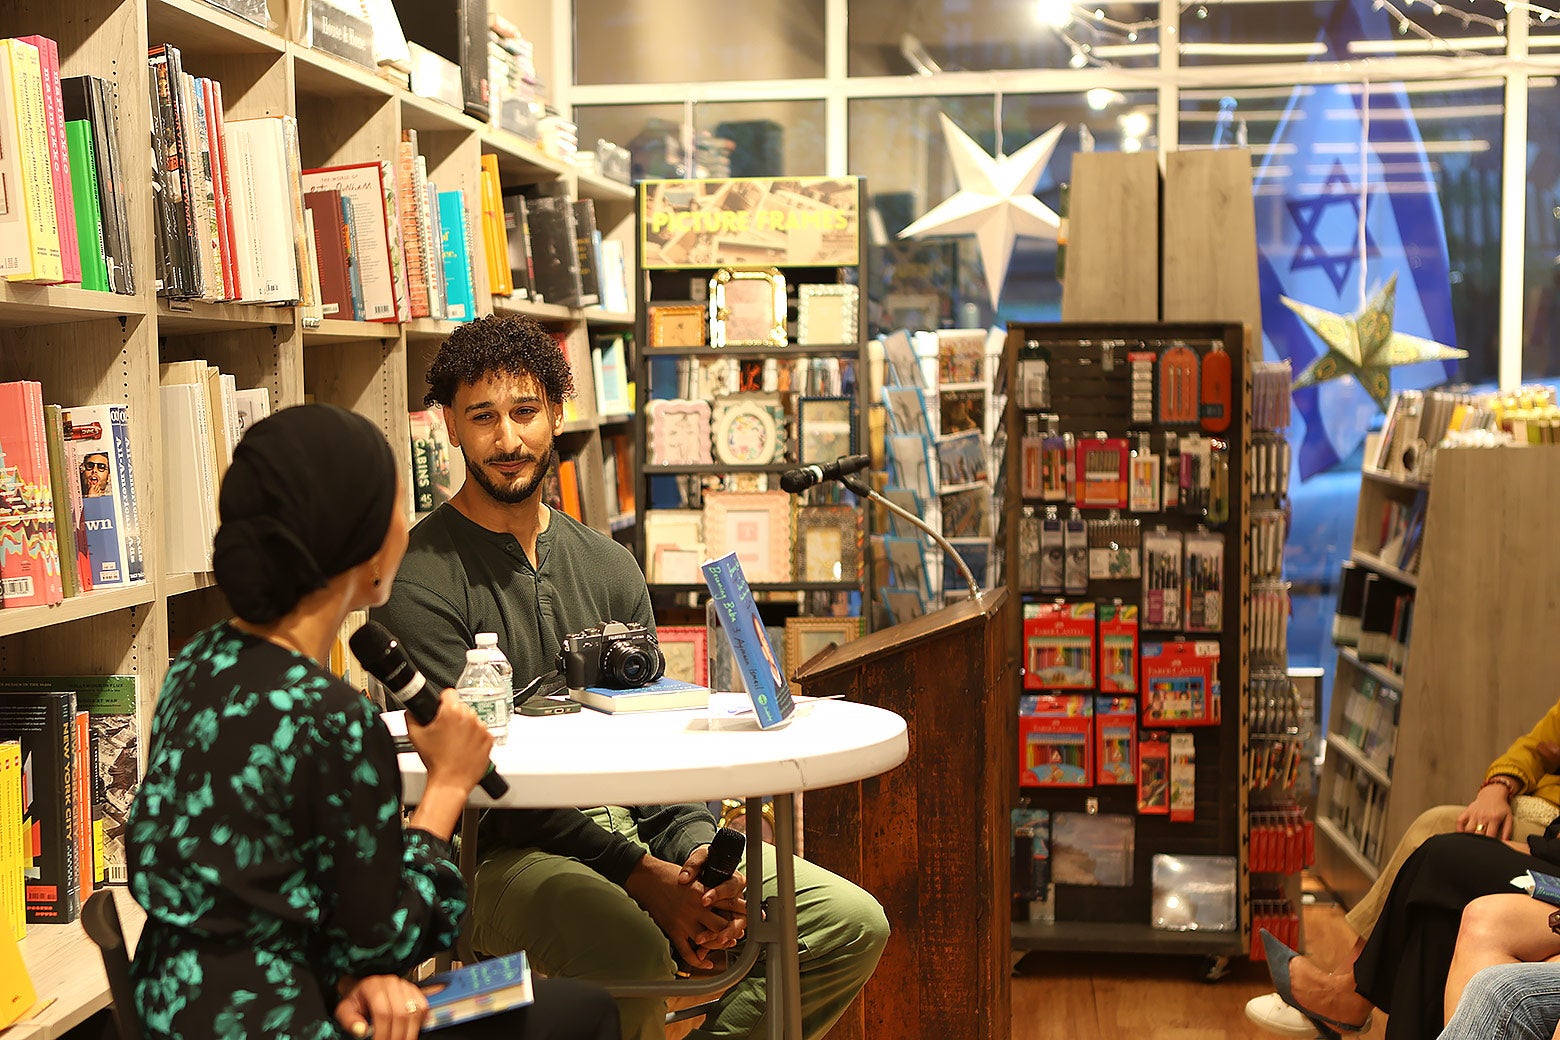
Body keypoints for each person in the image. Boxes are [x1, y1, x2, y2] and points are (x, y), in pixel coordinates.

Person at [374, 315, 890, 1040]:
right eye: (482, 418)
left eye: (525, 412)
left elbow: (652, 730)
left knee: (847, 923)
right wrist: (641, 876)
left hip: (638, 836)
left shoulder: (609, 565)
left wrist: (694, 854)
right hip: (496, 850)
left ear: (557, 413)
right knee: (627, 949)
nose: (508, 440)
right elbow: (477, 783)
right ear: (450, 428)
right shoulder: (417, 577)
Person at [126, 404, 620, 1040]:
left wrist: (351, 972)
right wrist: (447, 784)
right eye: (393, 505)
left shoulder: (199, 661)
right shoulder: (331, 718)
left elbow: (267, 880)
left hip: (175, 1007)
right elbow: (392, 935)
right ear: (357, 539)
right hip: (284, 1021)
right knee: (583, 1012)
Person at [1248, 707, 1560, 1036]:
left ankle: (1346, 995)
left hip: (1550, 848)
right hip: (1542, 825)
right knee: (1433, 913)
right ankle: (1344, 995)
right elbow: (1536, 744)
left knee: (1440, 857)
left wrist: (1540, 848)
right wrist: (1498, 784)